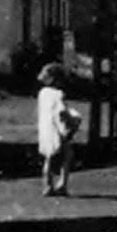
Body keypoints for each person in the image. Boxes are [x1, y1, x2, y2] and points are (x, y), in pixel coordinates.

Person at [37, 63, 79, 197]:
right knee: (67, 156)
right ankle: (62, 184)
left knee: (48, 158)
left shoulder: (42, 93)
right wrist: (71, 123)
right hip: (58, 130)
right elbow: (61, 113)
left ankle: (48, 185)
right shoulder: (59, 94)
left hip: (46, 129)